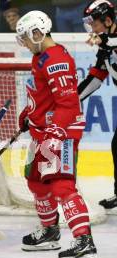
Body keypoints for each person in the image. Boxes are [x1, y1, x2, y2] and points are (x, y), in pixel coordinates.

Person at [16, 10, 99, 258]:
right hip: (44, 130)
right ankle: (50, 231)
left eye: (26, 39)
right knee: (36, 181)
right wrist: (29, 113)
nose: (25, 44)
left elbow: (69, 104)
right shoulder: (40, 57)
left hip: (61, 132)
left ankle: (85, 244)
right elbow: (44, 96)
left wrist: (55, 133)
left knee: (62, 185)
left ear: (38, 33)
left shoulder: (56, 60)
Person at [78, 0, 117, 210]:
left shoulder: (109, 41)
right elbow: (95, 79)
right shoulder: (106, 48)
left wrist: (104, 40)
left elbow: (112, 41)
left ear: (108, 20)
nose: (92, 29)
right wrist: (72, 100)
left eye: (95, 24)